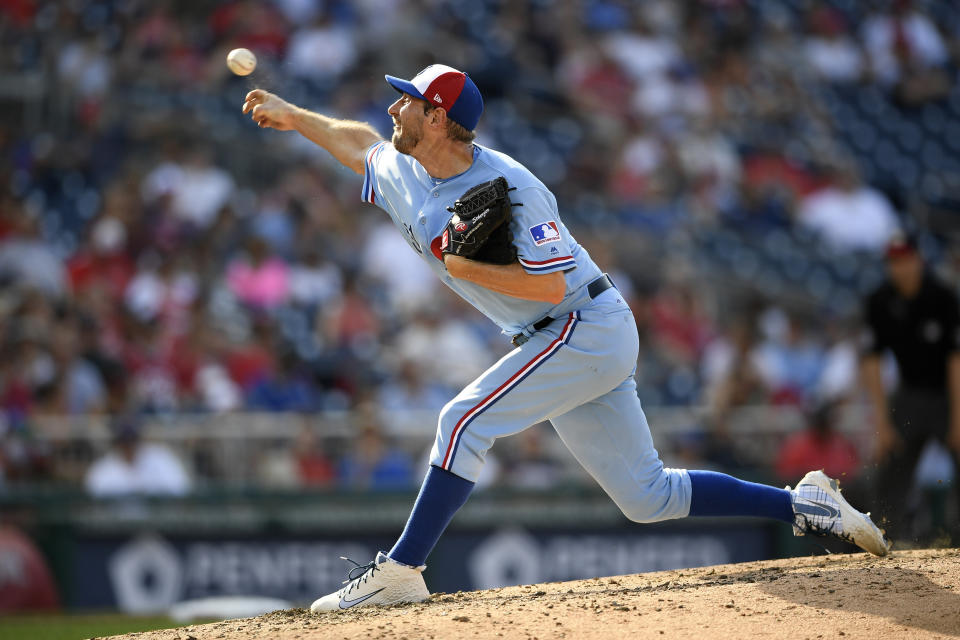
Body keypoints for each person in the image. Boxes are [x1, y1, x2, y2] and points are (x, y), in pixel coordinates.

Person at [242, 64, 890, 612]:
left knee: (462, 420)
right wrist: (292, 115)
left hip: (586, 325)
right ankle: (802, 504)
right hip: (555, 337)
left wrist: (468, 266)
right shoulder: (405, 166)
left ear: (437, 118)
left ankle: (401, 570)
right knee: (649, 498)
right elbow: (358, 143)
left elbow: (551, 287)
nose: (393, 108)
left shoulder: (513, 187)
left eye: (406, 101)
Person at [861, 232, 960, 543]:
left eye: (905, 259)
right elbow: (871, 361)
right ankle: (886, 539)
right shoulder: (880, 300)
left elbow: (955, 361)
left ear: (918, 259)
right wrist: (882, 421)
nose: (900, 267)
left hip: (948, 394)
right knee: (889, 468)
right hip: (909, 393)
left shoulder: (942, 296)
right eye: (893, 261)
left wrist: (958, 418)